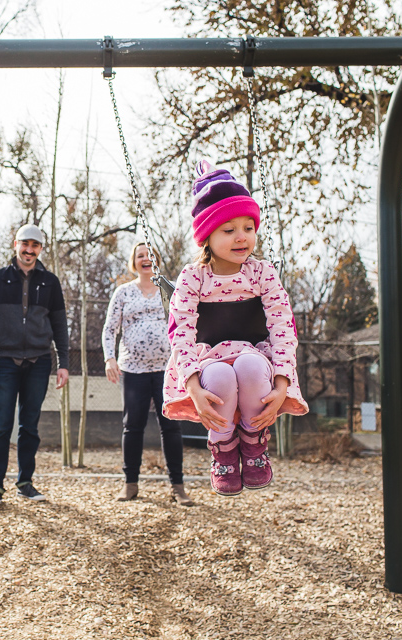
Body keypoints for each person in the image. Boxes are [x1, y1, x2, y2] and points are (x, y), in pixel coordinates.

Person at [163, 160, 308, 497]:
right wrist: (193, 387)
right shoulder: (192, 278)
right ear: (207, 237)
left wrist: (283, 382)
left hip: (256, 359)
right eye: (229, 230)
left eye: (248, 227)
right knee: (223, 377)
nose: (242, 237)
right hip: (207, 364)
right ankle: (224, 448)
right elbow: (181, 333)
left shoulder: (262, 273)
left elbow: (283, 326)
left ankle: (254, 442)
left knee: (251, 365)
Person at [0, 223, 70, 513]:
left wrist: (63, 362)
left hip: (39, 362)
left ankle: (25, 483)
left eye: (35, 246)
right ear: (15, 244)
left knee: (30, 427)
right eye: (25, 244)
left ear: (40, 249)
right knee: (0, 426)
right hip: (5, 361)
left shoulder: (50, 282)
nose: (29, 250)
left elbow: (60, 325)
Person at [102, 242, 191, 506]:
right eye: (139, 255)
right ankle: (130, 484)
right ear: (134, 262)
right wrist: (110, 358)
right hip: (133, 369)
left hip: (168, 369)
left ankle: (178, 487)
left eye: (148, 255)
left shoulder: (170, 288)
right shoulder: (123, 292)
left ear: (156, 260)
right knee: (132, 427)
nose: (144, 259)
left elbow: (187, 322)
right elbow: (110, 329)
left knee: (171, 427)